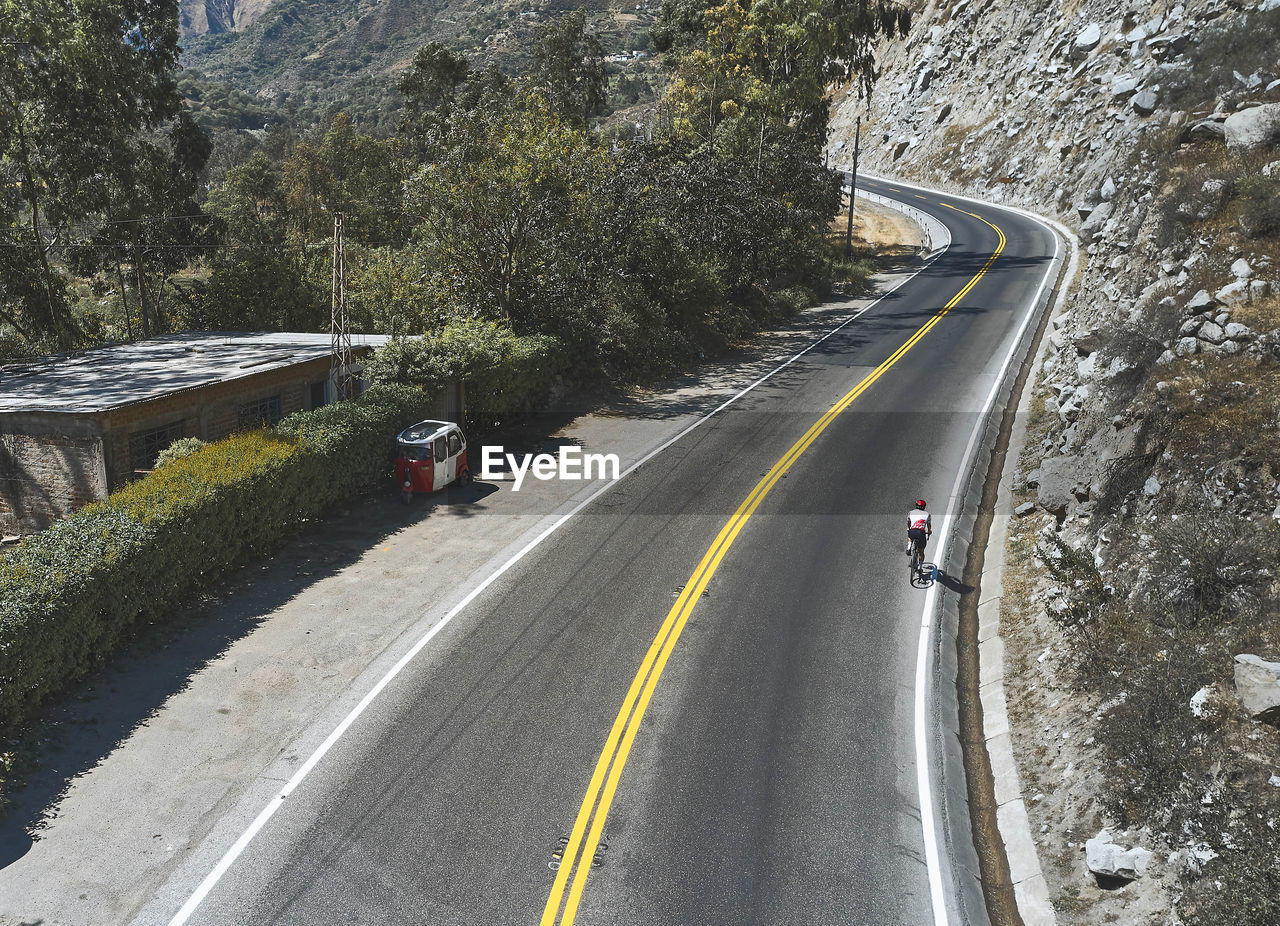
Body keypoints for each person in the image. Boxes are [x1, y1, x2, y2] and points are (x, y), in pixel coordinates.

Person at [906, 498, 932, 572]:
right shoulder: (927, 514)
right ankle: (920, 567)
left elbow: (908, 522)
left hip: (912, 531)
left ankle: (909, 547)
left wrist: (908, 528)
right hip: (921, 533)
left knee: (910, 536)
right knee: (921, 552)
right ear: (924, 507)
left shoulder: (910, 512)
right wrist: (929, 531)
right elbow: (928, 525)